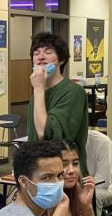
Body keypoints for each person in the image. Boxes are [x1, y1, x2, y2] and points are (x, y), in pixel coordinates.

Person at [27, 32, 89, 173]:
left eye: (48, 52)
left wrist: (38, 89)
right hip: (39, 171)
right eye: (36, 53)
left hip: (66, 174)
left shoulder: (74, 92)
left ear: (60, 60)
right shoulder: (37, 95)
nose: (41, 57)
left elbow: (46, 134)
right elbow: (34, 138)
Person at [49, 140, 97, 216]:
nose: (71, 170)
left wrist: (86, 205)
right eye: (64, 164)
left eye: (75, 163)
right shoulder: (41, 194)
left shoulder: (76, 189)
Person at [85, 129, 112, 215]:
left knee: (93, 197)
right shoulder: (65, 143)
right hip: (86, 185)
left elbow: (103, 182)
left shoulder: (101, 141)